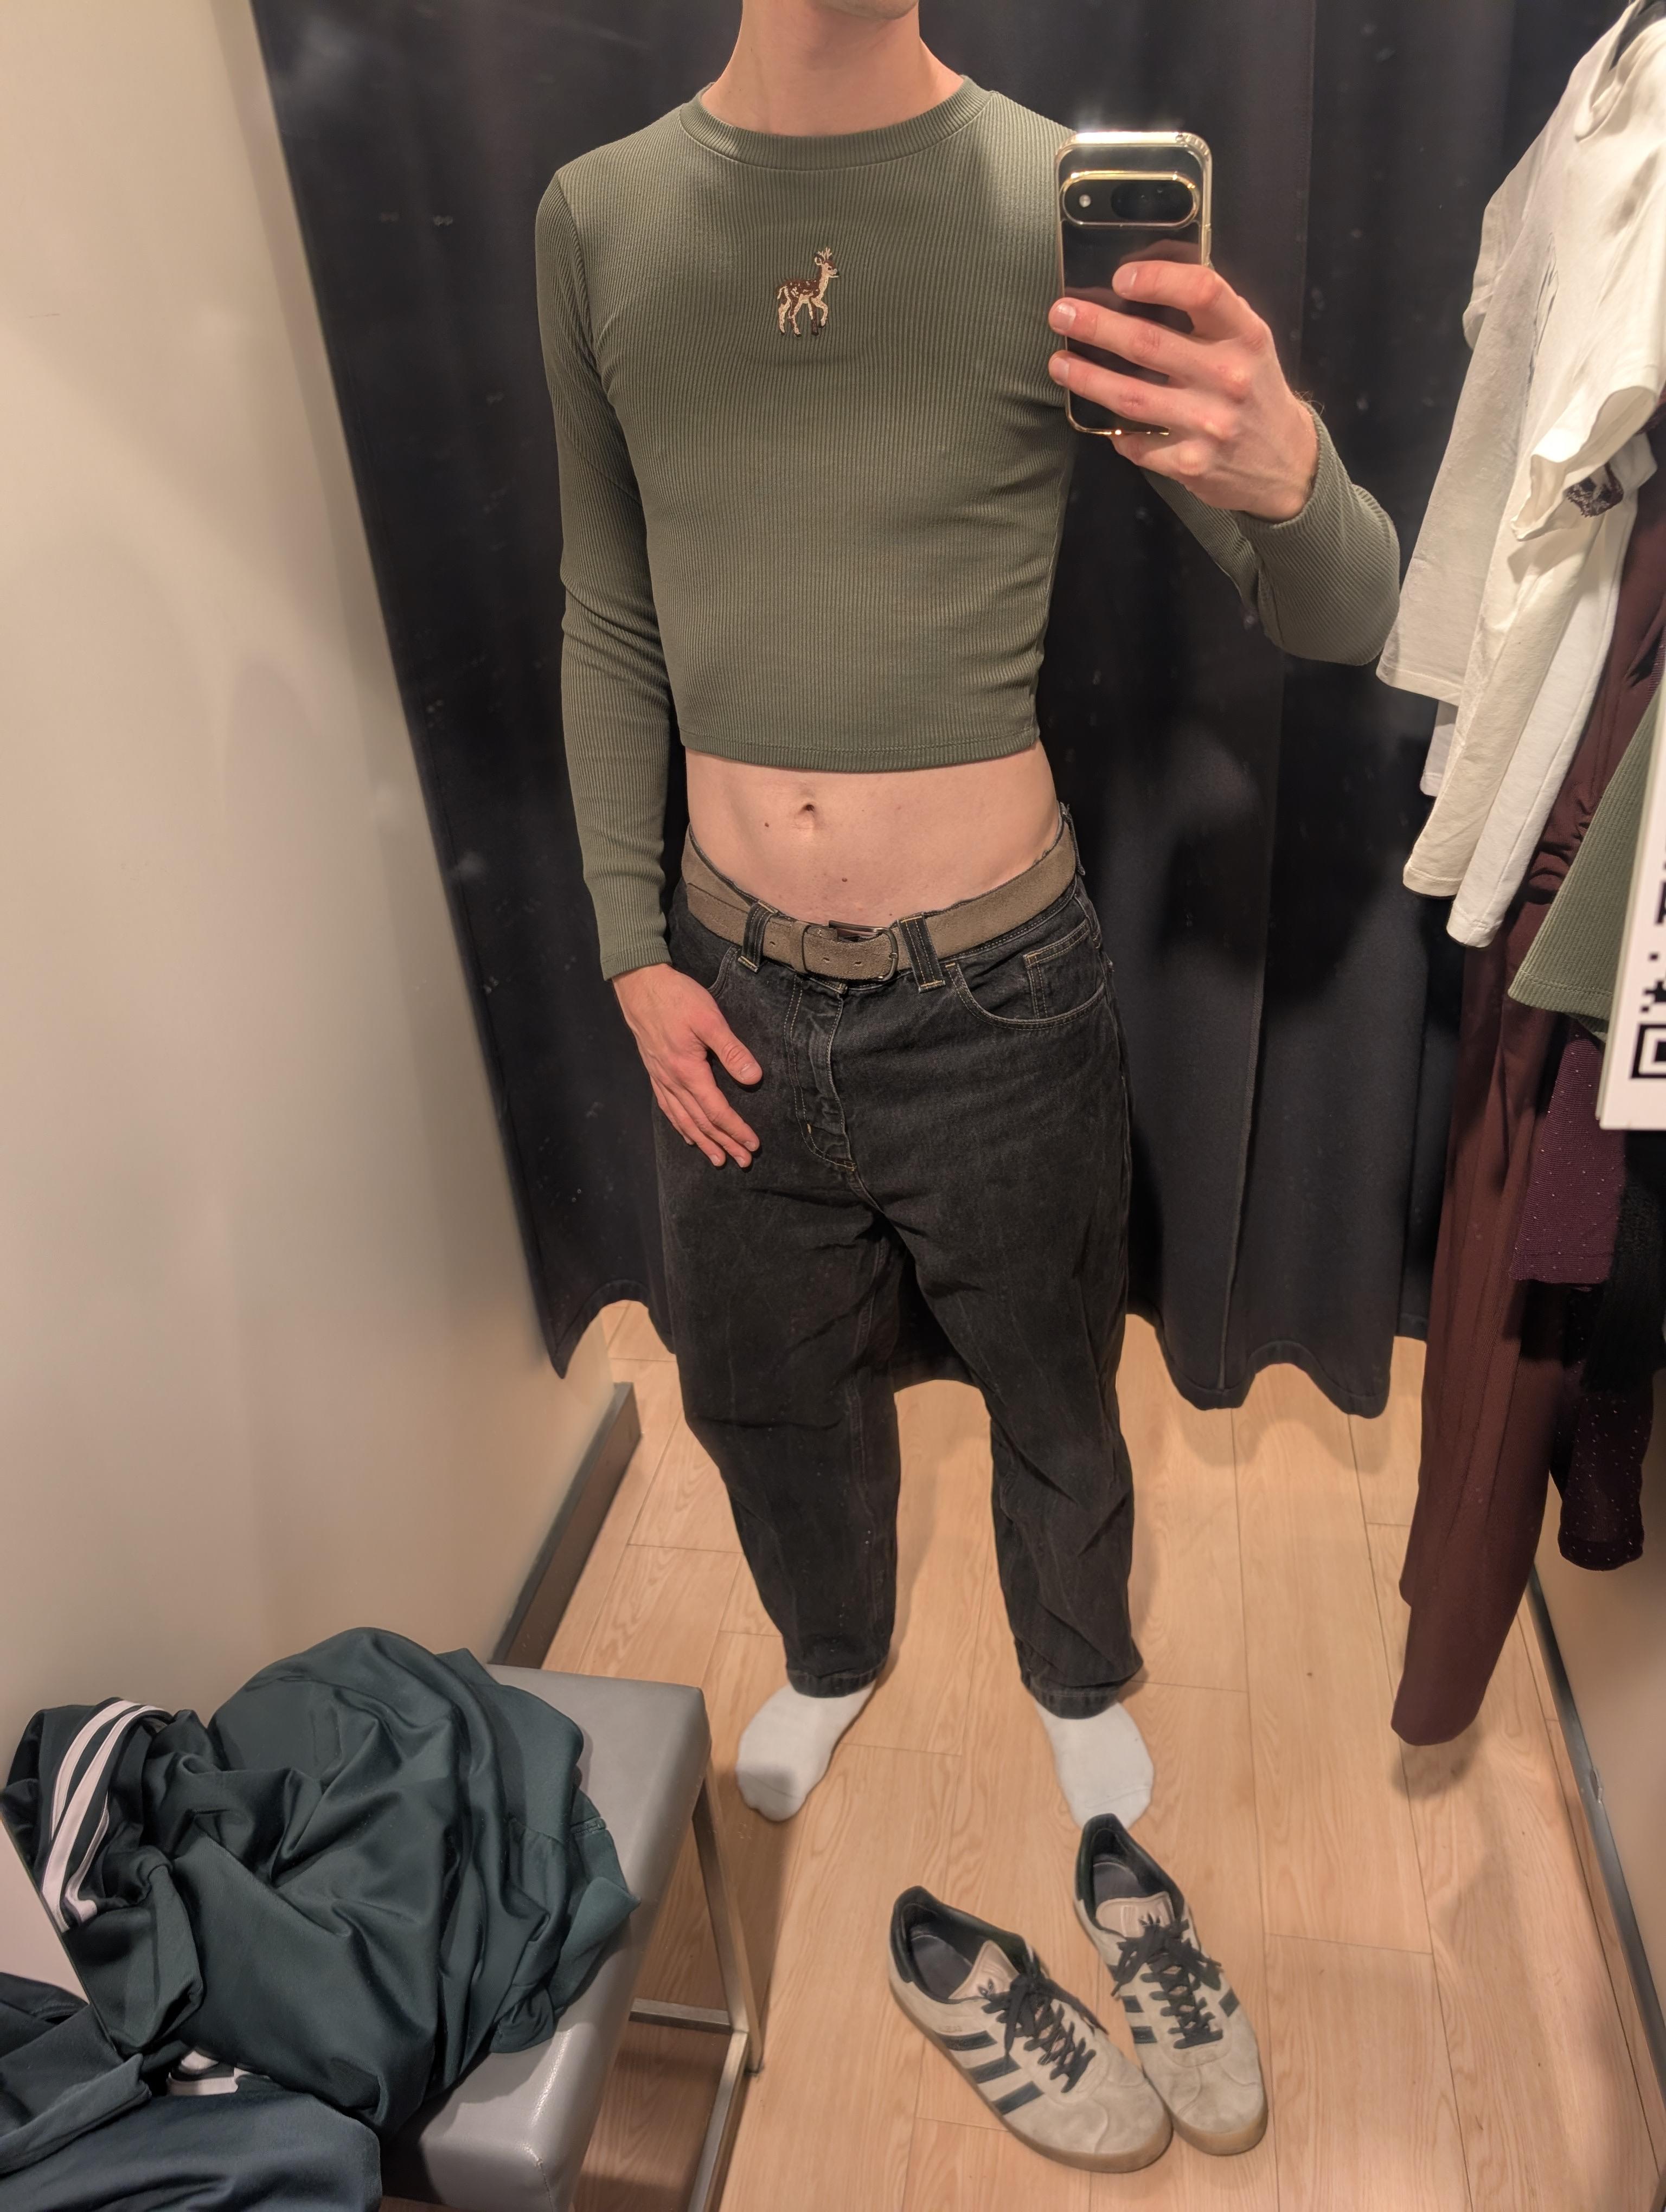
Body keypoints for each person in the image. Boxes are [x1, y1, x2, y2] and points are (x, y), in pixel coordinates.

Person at [537, 0, 1400, 1828]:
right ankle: (832, 1649)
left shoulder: (1046, 201)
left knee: (1054, 1379)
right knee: (759, 1391)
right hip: (724, 982)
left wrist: (1293, 473)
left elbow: (1340, 610)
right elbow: (607, 606)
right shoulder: (598, 217)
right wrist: (628, 947)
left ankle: (1076, 1667)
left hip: (998, 994)